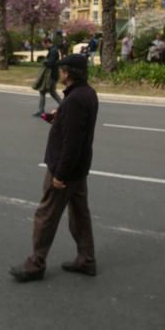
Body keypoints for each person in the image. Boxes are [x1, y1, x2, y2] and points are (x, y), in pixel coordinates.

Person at [11, 53, 99, 282]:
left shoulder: (74, 100)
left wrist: (60, 174)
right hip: (79, 168)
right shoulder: (87, 93)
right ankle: (86, 259)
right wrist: (57, 118)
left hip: (65, 169)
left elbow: (72, 142)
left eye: (61, 70)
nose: (59, 73)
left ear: (68, 73)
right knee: (79, 214)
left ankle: (35, 264)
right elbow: (76, 130)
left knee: (46, 215)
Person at [32, 37, 62, 117]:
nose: (43, 46)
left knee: (43, 92)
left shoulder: (53, 51)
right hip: (53, 75)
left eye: (43, 44)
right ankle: (64, 107)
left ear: (47, 42)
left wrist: (44, 62)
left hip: (51, 75)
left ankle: (41, 111)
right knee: (52, 92)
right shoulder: (53, 50)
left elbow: (51, 63)